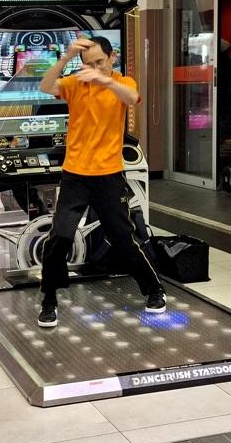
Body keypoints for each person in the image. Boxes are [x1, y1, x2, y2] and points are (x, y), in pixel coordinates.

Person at [37, 36, 166, 327]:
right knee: (59, 237)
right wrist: (66, 57)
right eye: (89, 64)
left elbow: (131, 98)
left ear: (112, 57)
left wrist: (103, 80)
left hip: (108, 174)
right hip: (75, 174)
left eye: (100, 62)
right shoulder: (75, 84)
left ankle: (154, 288)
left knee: (123, 237)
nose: (94, 69)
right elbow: (45, 86)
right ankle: (49, 299)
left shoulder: (123, 82)